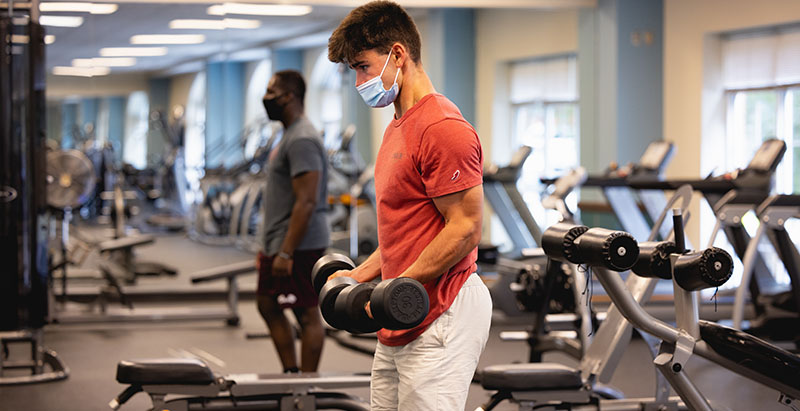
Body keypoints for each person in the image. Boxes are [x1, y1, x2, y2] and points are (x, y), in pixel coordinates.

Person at [327, 2, 492, 409]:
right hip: (402, 311)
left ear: (398, 55)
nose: (359, 81)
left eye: (363, 67)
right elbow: (405, 233)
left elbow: (466, 227)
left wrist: (395, 287)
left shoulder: (442, 128)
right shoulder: (399, 126)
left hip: (442, 309)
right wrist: (356, 277)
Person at [256, 70, 329, 374]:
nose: (266, 98)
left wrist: (286, 252)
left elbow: (307, 200)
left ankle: (306, 387)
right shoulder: (289, 135)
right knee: (268, 304)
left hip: (300, 244)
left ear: (289, 96)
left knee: (308, 314)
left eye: (272, 92)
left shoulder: (301, 139)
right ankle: (292, 376)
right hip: (282, 241)